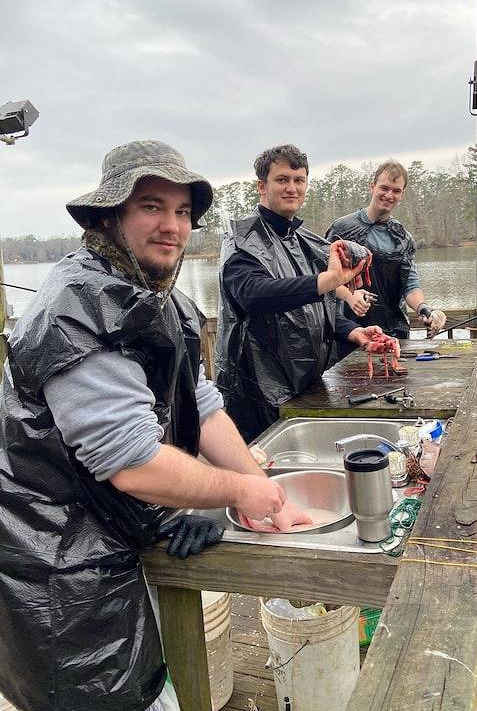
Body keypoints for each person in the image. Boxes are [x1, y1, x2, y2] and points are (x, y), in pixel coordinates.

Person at [0, 140, 310, 711]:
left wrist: (267, 498)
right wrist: (242, 489)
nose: (172, 226)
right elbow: (133, 462)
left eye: (183, 212)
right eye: (151, 206)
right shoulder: (73, 307)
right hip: (61, 577)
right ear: (109, 216)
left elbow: (200, 400)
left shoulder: (156, 297)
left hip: (114, 542)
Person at [215, 144, 396, 443]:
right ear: (262, 186)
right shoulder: (242, 239)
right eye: (282, 180)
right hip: (255, 394)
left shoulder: (304, 241)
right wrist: (326, 281)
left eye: (299, 180)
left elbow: (315, 312)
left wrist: (355, 333)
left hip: (305, 386)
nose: (292, 188)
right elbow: (253, 294)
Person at [326, 160, 446, 339]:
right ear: (372, 187)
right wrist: (349, 296)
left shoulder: (403, 238)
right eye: (384, 188)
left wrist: (424, 309)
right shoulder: (341, 229)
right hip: (349, 330)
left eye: (396, 191)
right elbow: (322, 278)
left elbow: (410, 285)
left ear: (402, 195)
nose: (389, 195)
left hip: (393, 331)